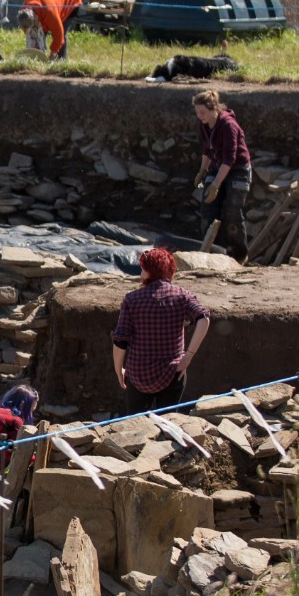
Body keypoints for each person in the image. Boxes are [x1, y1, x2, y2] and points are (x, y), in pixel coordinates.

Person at [111, 247, 212, 408]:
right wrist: (188, 356)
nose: (140, 274)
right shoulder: (182, 295)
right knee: (167, 423)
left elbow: (120, 341)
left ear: (149, 272)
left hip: (138, 375)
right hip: (172, 373)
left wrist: (118, 370)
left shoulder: (132, 299)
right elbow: (203, 319)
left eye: (142, 270)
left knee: (136, 423)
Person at [193, 89, 252, 259]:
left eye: (203, 112)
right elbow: (207, 149)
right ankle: (215, 252)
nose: (200, 116)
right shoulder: (204, 124)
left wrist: (216, 184)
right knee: (208, 207)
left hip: (237, 169)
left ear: (214, 109)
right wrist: (202, 171)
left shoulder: (228, 125)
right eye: (197, 112)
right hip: (218, 166)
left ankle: (240, 255)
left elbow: (230, 159)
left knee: (233, 211)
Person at [18, 0, 83, 59]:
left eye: (34, 25)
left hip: (70, 1)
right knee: (39, 33)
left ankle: (61, 61)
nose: (32, 28)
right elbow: (33, 35)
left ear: (36, 18)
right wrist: (36, 54)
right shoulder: (23, 13)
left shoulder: (49, 12)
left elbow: (59, 35)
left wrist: (52, 55)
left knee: (62, 32)